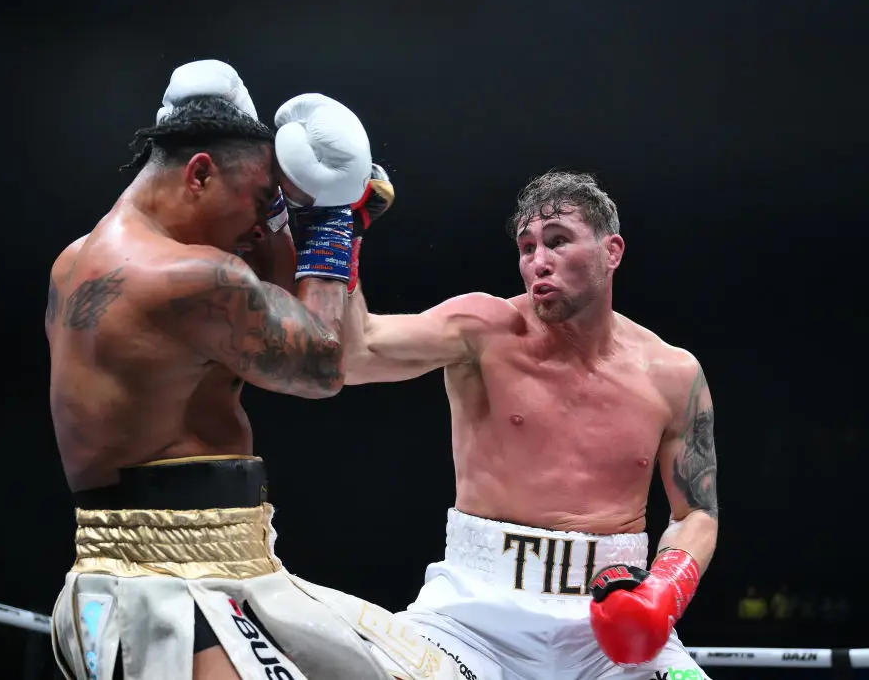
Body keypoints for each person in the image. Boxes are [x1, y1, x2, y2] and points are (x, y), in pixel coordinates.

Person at [45, 60, 460, 680]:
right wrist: (331, 220)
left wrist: (312, 213)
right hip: (168, 587)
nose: (260, 224)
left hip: (222, 563)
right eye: (261, 204)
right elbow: (324, 363)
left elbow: (279, 297)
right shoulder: (184, 278)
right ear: (200, 174)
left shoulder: (81, 258)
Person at [343, 171, 719, 679]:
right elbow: (353, 354)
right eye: (526, 247)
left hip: (608, 623)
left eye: (558, 241)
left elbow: (695, 512)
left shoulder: (674, 374)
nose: (538, 261)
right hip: (472, 618)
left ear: (612, 251)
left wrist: (663, 591)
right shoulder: (483, 331)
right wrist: (339, 230)